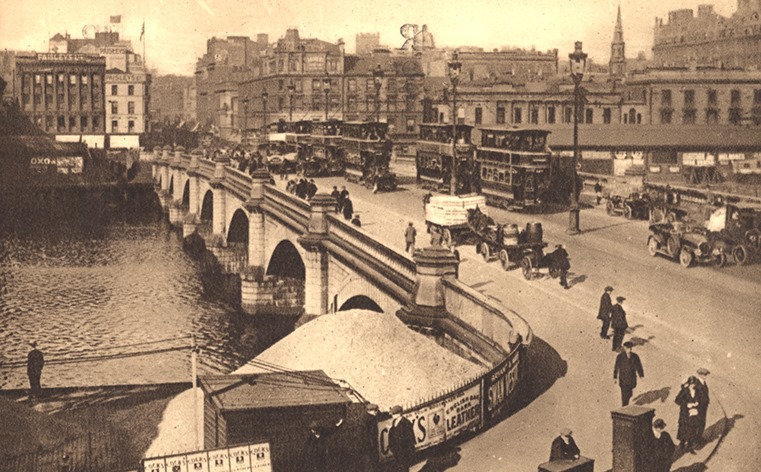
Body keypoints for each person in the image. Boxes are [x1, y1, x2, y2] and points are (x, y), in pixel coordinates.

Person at [614, 341, 644, 407]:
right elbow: (616, 367)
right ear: (624, 348)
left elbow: (639, 366)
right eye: (627, 348)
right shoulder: (620, 357)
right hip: (623, 378)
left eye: (630, 348)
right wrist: (615, 377)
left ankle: (627, 400)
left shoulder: (635, 356)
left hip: (631, 378)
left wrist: (641, 375)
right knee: (624, 395)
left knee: (629, 393)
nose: (629, 350)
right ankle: (624, 407)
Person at [388, 405, 416, 472]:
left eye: (394, 414)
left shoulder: (406, 423)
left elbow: (410, 438)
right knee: (398, 465)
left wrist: (410, 450)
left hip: (404, 448)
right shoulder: (394, 421)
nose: (392, 415)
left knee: (404, 466)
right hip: (396, 448)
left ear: (399, 414)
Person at [694, 368, 711, 444]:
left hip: (703, 407)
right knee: (698, 423)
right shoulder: (697, 384)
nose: (706, 376)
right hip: (699, 408)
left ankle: (699, 437)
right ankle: (697, 439)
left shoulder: (703, 382)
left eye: (706, 374)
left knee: (702, 423)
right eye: (705, 375)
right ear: (700, 375)